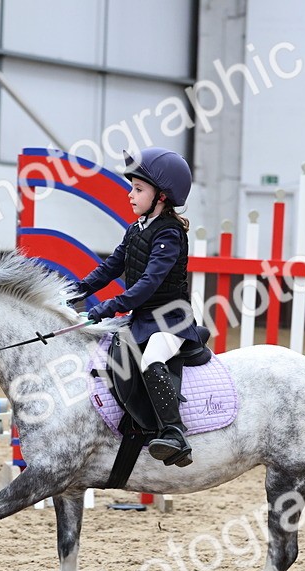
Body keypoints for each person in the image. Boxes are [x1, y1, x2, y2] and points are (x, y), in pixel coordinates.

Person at [73, 147, 204, 468]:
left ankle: (174, 433)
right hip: (141, 319)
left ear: (161, 196)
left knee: (151, 360)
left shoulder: (170, 233)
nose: (130, 195)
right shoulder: (137, 229)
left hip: (170, 320)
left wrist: (106, 308)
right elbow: (110, 267)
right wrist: (72, 291)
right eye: (132, 187)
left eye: (138, 189)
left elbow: (149, 283)